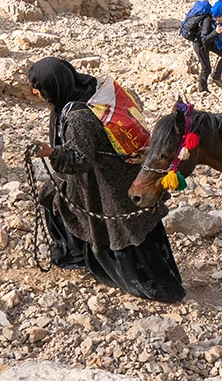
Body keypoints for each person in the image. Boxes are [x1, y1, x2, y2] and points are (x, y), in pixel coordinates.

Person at [27, 58, 184, 303]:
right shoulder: (92, 92)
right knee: (54, 196)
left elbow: (80, 160)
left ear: (53, 87)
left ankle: (87, 261)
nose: (35, 92)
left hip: (106, 185)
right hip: (122, 174)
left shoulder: (78, 117)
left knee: (64, 205)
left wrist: (50, 152)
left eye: (38, 87)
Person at [180, 0, 222, 93]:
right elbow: (204, 39)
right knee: (206, 68)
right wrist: (216, 32)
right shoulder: (207, 20)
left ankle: (216, 77)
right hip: (200, 45)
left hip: (210, 43)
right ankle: (202, 89)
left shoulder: (215, 17)